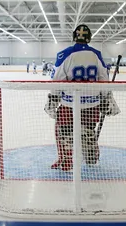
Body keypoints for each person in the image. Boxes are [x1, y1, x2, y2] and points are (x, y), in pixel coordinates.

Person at [44, 24, 120, 171]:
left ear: (74, 37)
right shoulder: (96, 54)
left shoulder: (64, 54)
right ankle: (91, 158)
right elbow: (104, 79)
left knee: (63, 132)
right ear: (89, 38)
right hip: (92, 105)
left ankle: (66, 162)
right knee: (88, 132)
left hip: (69, 104)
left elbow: (57, 81)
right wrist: (105, 100)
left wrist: (53, 101)